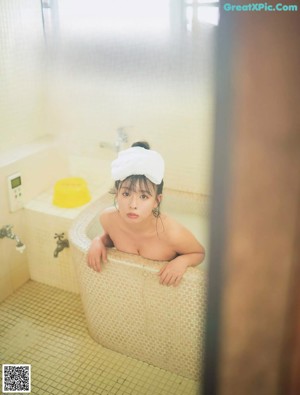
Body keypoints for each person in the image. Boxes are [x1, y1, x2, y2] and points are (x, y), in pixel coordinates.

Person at [87, 141, 205, 287]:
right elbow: (113, 238)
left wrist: (182, 261)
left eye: (143, 196)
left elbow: (199, 253)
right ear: (117, 194)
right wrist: (98, 241)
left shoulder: (172, 233)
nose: (133, 205)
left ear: (156, 201)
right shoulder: (107, 219)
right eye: (126, 193)